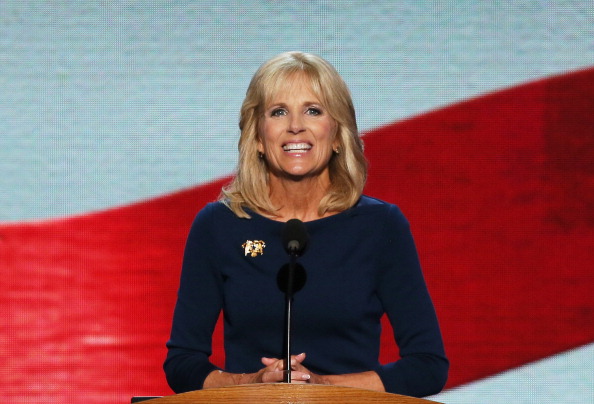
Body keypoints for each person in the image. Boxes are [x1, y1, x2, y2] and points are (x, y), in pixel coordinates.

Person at [163, 51, 448, 397]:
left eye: (313, 110)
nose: (295, 125)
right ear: (257, 137)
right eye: (278, 111)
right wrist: (252, 384)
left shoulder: (380, 226)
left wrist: (322, 388)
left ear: (339, 133)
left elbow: (427, 366)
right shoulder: (219, 225)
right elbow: (182, 364)